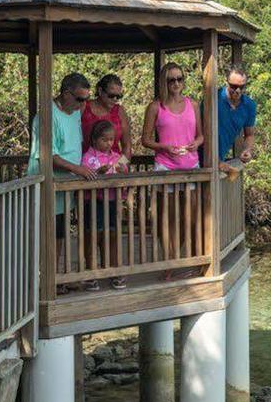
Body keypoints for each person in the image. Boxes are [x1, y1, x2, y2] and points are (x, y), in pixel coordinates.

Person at [30, 72, 97, 286]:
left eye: (86, 99)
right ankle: (42, 278)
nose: (83, 104)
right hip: (47, 183)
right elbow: (49, 155)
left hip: (66, 184)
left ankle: (55, 276)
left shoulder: (76, 111)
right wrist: (78, 169)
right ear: (65, 94)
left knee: (59, 231)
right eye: (79, 99)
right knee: (45, 233)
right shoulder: (47, 116)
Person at [140, 61, 202, 276]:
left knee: (190, 217)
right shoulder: (156, 107)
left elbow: (201, 135)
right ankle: (169, 263)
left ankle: (177, 257)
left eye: (179, 79)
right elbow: (145, 140)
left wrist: (197, 143)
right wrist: (164, 147)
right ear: (163, 82)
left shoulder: (193, 105)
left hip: (191, 166)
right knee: (168, 218)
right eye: (171, 80)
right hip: (165, 167)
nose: (176, 83)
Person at [79, 119, 129, 289]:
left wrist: (123, 171)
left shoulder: (117, 157)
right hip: (93, 203)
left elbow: (125, 174)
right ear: (94, 140)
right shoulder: (88, 157)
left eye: (111, 140)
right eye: (104, 139)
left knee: (113, 235)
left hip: (112, 202)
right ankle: (91, 273)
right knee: (93, 236)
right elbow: (84, 175)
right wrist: (97, 173)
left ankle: (114, 271)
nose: (109, 143)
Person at [217, 66, 258, 166]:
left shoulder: (249, 105)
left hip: (221, 158)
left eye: (242, 87)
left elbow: (249, 135)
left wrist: (247, 150)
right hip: (200, 156)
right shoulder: (215, 98)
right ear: (227, 83)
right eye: (234, 86)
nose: (238, 90)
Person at [82, 72, 129, 156]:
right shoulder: (84, 107)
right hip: (87, 164)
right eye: (111, 95)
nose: (115, 99)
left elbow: (127, 146)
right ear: (100, 91)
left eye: (118, 97)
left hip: (114, 165)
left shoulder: (119, 111)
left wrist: (120, 166)